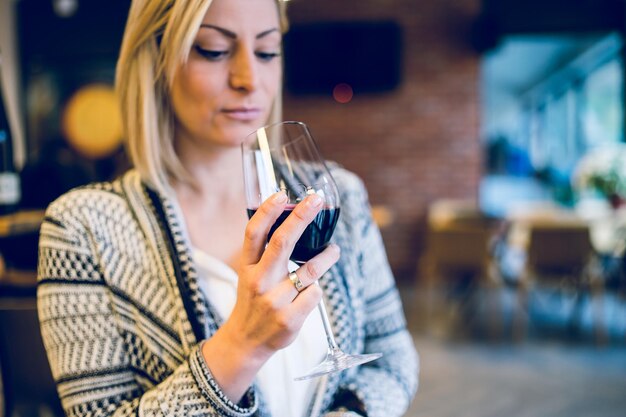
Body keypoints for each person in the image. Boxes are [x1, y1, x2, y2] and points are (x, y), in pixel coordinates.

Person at [36, 0, 418, 416]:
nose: (249, 78)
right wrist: (242, 344)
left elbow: (393, 359)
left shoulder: (337, 192)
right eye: (214, 50)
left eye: (267, 51)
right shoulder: (84, 228)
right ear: (155, 61)